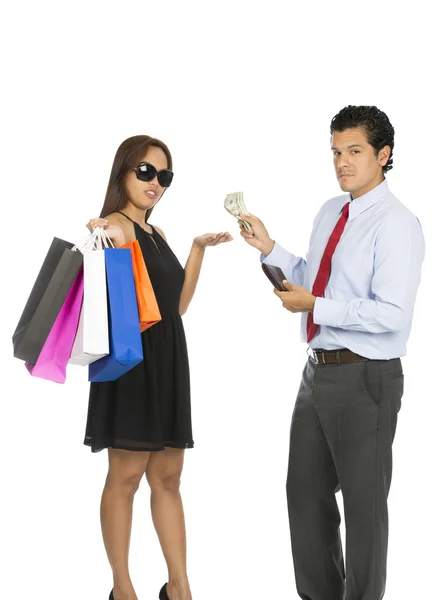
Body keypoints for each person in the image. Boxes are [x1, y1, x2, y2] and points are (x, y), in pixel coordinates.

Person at [239, 106, 425, 600]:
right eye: (337, 152)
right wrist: (271, 248)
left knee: (365, 509)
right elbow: (313, 275)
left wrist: (315, 304)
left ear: (384, 155)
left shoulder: (398, 224)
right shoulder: (330, 211)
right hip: (317, 373)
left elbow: (391, 314)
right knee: (304, 495)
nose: (343, 162)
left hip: (367, 378)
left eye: (355, 151)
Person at [85, 135, 232, 600]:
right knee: (125, 478)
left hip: (168, 360)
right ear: (124, 172)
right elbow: (105, 260)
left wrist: (196, 250)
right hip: (133, 363)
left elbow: (176, 307)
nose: (155, 182)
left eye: (163, 176)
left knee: (168, 479)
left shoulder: (157, 234)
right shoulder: (119, 225)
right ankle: (122, 589)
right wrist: (101, 235)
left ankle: (180, 587)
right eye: (145, 171)